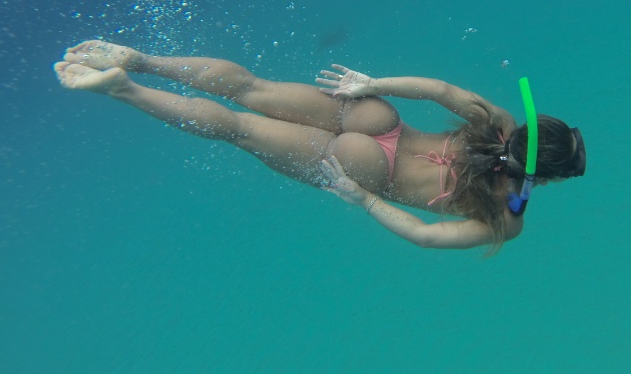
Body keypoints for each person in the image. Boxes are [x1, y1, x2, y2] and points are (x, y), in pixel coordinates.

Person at [54, 40, 586, 252]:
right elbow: (426, 236)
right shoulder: (505, 218)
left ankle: (141, 61)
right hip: (366, 168)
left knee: (252, 89)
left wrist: (372, 84)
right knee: (238, 129)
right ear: (548, 176)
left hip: (378, 118)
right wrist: (365, 199)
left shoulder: (500, 122)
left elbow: (440, 90)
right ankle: (125, 90)